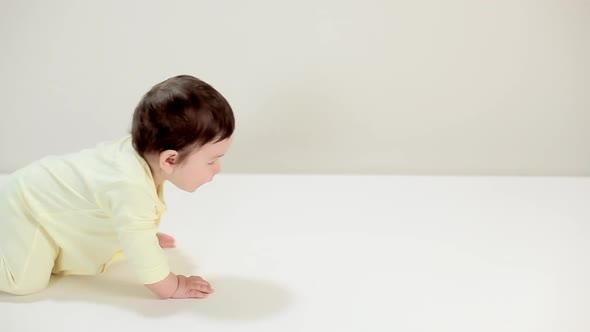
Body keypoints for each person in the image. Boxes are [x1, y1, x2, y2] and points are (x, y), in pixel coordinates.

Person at [0, 74, 234, 299]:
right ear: (170, 160)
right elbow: (141, 251)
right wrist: (173, 285)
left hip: (37, 194)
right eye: (211, 161)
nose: (217, 169)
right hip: (26, 207)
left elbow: (127, 221)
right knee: (24, 281)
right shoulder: (130, 186)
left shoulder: (137, 160)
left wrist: (143, 235)